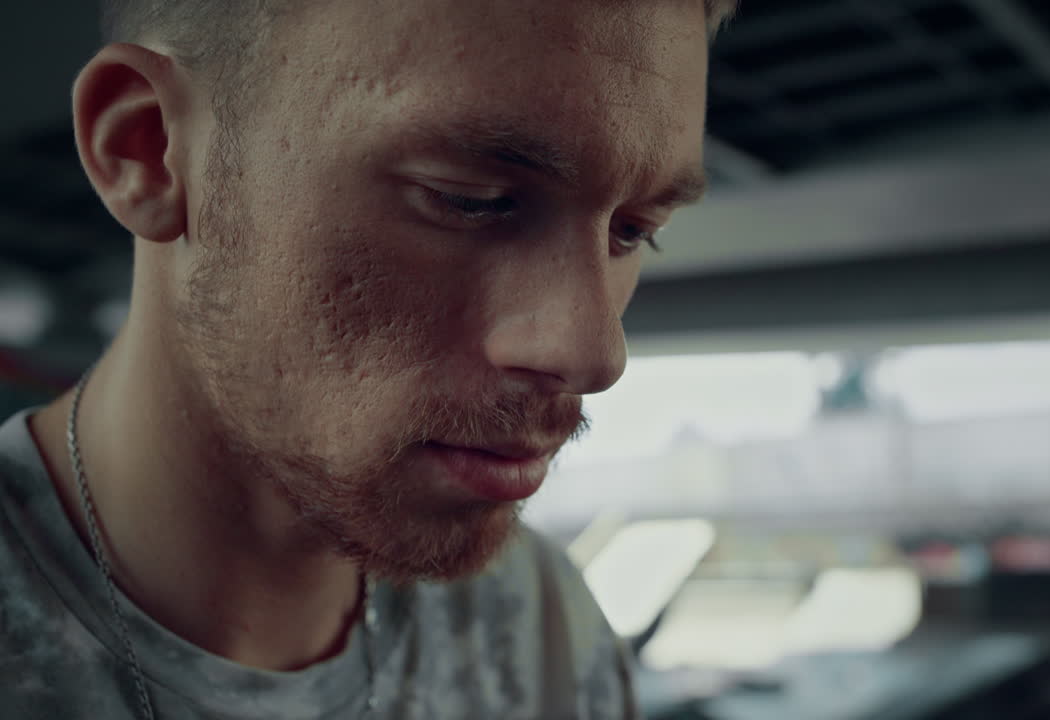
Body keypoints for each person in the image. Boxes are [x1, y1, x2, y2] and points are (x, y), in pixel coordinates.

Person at [0, 0, 736, 717]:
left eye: (633, 230)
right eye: (470, 199)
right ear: (148, 150)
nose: (594, 355)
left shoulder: (543, 622)